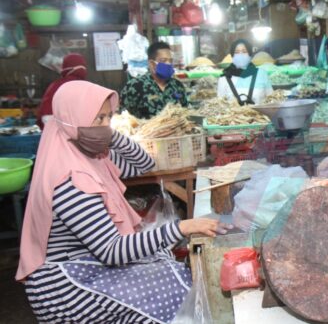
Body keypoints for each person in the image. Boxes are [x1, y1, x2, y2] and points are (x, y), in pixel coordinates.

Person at [17, 81, 231, 323]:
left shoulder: (87, 156)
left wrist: (109, 132)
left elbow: (144, 163)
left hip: (88, 264)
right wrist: (182, 227)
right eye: (97, 118)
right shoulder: (71, 179)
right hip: (65, 288)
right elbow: (111, 251)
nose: (105, 125)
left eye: (109, 117)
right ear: (71, 120)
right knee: (171, 290)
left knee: (165, 266)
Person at [120, 42, 188, 119]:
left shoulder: (177, 86)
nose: (168, 64)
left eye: (170, 61)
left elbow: (185, 111)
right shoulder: (135, 86)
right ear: (151, 63)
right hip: (147, 130)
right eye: (163, 60)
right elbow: (125, 118)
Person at [37, 53, 88, 129]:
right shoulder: (88, 87)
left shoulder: (56, 86)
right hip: (83, 134)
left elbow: (46, 115)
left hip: (57, 132)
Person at [217, 39, 273, 105]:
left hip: (260, 115)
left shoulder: (262, 74)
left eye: (244, 51)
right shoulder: (224, 78)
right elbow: (220, 104)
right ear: (232, 55)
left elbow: (271, 99)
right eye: (237, 52)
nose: (240, 55)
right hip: (232, 115)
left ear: (250, 54)